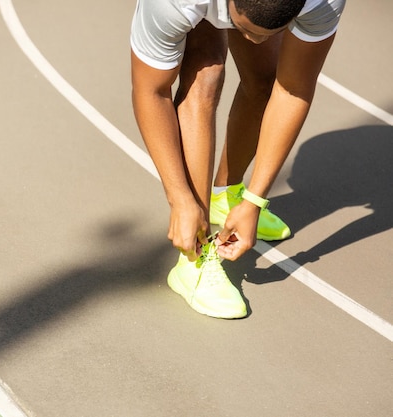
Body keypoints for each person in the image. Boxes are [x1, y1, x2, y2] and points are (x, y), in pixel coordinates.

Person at [130, 0, 346, 318]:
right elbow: (151, 90)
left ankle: (228, 195)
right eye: (244, 28)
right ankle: (193, 259)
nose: (250, 39)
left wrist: (253, 202)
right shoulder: (175, 3)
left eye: (268, 32)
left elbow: (293, 89)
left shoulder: (322, 3)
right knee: (207, 69)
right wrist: (180, 199)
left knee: (265, 77)